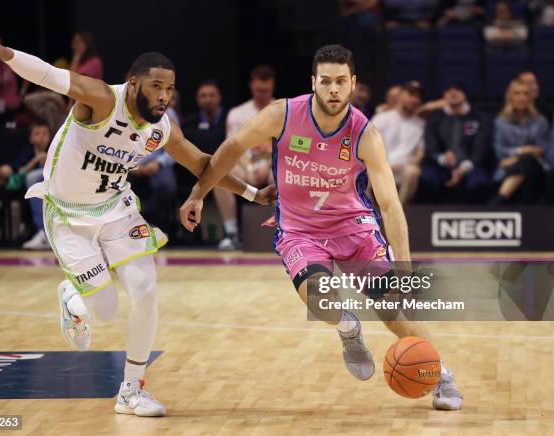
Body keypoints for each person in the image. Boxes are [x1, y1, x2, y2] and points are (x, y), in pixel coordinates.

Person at [0, 35, 273, 417]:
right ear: (133, 83)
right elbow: (49, 75)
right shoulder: (102, 99)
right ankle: (72, 297)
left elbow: (203, 165)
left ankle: (131, 390)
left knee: (145, 290)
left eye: (170, 89)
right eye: (156, 86)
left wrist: (253, 194)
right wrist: (7, 55)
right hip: (67, 214)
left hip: (116, 209)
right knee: (106, 310)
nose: (164, 96)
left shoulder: (161, 129)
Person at [180, 44, 462, 411]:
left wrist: (403, 269)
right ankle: (348, 328)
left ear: (353, 84)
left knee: (394, 313)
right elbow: (231, 148)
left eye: (340, 82)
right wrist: (199, 192)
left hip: (355, 228)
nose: (333, 89)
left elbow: (390, 205)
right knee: (320, 300)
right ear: (313, 81)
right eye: (325, 81)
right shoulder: (281, 114)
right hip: (300, 230)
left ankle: (441, 374)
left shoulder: (365, 133)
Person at [215, 65, 276, 250]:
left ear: (272, 86)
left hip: (272, 164)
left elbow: (287, 145)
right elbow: (233, 147)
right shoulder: (237, 113)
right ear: (252, 86)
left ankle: (283, 233)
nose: (262, 94)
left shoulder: (281, 109)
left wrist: (267, 164)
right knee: (218, 177)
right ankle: (231, 233)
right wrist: (249, 170)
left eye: (266, 91)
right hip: (243, 164)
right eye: (259, 90)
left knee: (281, 176)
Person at [421, 84, 491, 203]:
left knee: (478, 181)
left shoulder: (479, 118)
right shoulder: (435, 118)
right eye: (448, 89)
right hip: (441, 165)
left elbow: (481, 148)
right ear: (444, 95)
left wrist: (464, 167)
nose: (453, 93)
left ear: (465, 94)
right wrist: (442, 158)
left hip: (471, 164)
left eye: (457, 89)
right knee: (428, 177)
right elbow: (431, 147)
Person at [492, 79, 549, 204]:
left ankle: (499, 201)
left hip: (536, 170)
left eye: (525, 94)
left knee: (527, 160)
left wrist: (518, 155)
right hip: (507, 170)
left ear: (530, 98)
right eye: (517, 93)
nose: (521, 97)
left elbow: (543, 149)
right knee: (525, 160)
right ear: (510, 97)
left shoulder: (540, 121)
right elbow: (499, 150)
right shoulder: (501, 122)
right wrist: (523, 150)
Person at [371, 81, 425, 204]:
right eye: (411, 95)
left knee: (413, 171)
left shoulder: (420, 124)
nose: (415, 100)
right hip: (380, 168)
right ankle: (369, 215)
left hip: (404, 169)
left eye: (418, 97)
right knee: (363, 172)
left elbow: (420, 152)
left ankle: (399, 213)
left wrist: (412, 162)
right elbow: (369, 147)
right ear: (400, 95)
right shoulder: (381, 119)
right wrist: (385, 166)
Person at [15, 123, 51, 250]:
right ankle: (43, 233)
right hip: (30, 192)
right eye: (37, 133)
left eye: (45, 133)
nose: (42, 137)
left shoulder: (56, 148)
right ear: (30, 138)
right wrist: (35, 160)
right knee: (32, 178)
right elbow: (20, 172)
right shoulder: (27, 152)